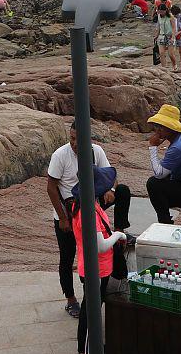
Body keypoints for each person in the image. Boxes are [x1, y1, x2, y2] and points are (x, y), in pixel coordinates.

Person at [46, 126, 131, 317]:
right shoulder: (60, 155)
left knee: (124, 191)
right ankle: (70, 299)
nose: (75, 143)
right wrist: (62, 218)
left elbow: (111, 175)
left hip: (91, 202)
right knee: (67, 257)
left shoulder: (96, 151)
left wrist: (111, 190)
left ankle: (117, 230)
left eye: (78, 139)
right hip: (70, 209)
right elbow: (51, 187)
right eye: (72, 138)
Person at [71, 165, 127, 354]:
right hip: (95, 269)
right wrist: (118, 236)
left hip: (98, 268)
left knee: (90, 310)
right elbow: (101, 245)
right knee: (90, 315)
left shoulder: (88, 204)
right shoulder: (87, 212)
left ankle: (89, 351)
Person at [156, 4, 178, 70]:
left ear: (166, 10)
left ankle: (174, 65)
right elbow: (159, 26)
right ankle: (164, 68)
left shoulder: (171, 16)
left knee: (170, 54)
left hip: (170, 36)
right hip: (162, 36)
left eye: (162, 11)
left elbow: (174, 28)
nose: (160, 13)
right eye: (159, 11)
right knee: (161, 53)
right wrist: (156, 35)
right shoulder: (159, 16)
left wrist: (173, 37)